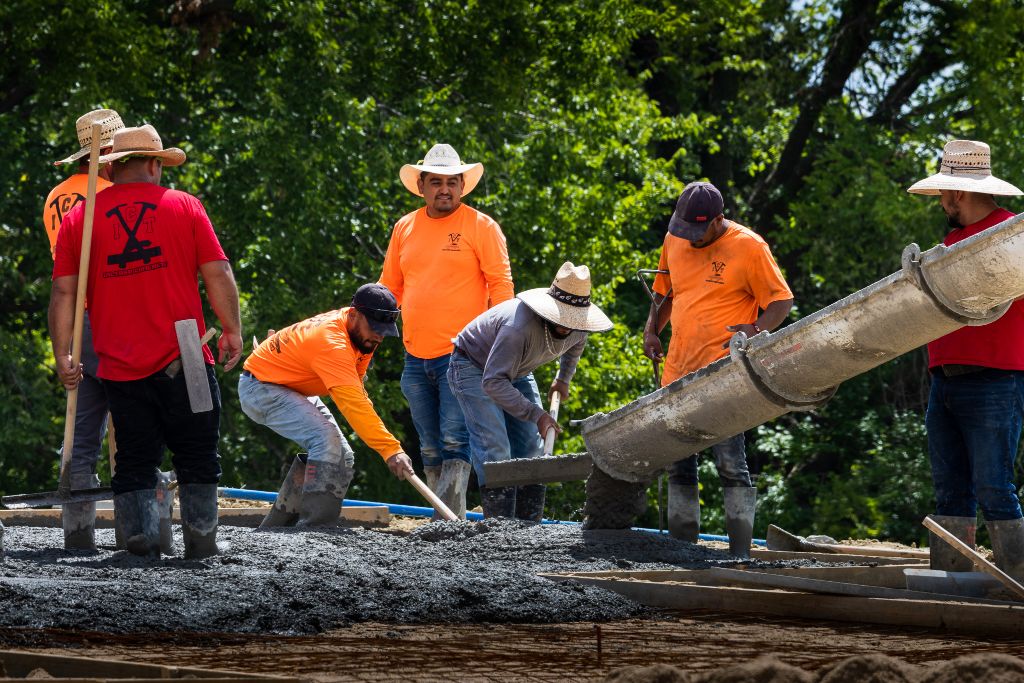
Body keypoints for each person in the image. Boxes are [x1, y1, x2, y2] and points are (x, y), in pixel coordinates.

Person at [50, 124, 243, 559]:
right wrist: (231, 329)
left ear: (114, 168)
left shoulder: (80, 218)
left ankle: (138, 541)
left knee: (134, 458)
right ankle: (201, 540)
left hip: (119, 358)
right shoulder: (184, 205)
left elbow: (63, 292)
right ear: (155, 164)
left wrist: (62, 353)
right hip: (188, 353)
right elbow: (217, 272)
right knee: (197, 451)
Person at [642, 181, 793, 557]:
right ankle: (682, 548)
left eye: (698, 231)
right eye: (684, 230)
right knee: (679, 464)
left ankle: (740, 552)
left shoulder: (748, 247)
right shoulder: (675, 238)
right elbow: (665, 291)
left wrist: (756, 329)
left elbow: (781, 301)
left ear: (718, 219)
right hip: (677, 371)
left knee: (730, 463)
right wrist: (650, 331)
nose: (690, 238)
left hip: (726, 374)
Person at [907, 139, 1024, 579]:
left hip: (997, 378)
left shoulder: (1013, 234)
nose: (940, 202)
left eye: (942, 194)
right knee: (950, 489)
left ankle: (1015, 580)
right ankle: (953, 580)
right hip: (946, 380)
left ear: (957, 193)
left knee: (994, 485)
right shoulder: (952, 240)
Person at [379, 143, 514, 518]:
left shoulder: (480, 226)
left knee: (457, 439)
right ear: (421, 185)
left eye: (452, 182)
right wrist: (369, 330)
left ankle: (448, 519)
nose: (444, 189)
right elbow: (390, 287)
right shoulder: (405, 227)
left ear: (462, 186)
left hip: (464, 355)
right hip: (415, 354)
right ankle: (444, 519)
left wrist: (499, 344)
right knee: (429, 445)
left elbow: (502, 287)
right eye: (436, 181)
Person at [238, 283, 415, 527]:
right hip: (260, 388)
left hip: (290, 387)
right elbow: (353, 405)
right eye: (375, 328)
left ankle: (278, 526)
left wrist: (388, 447)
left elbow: (359, 394)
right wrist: (391, 450)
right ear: (353, 314)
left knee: (343, 456)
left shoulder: (363, 336)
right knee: (326, 441)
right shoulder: (332, 343)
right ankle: (314, 528)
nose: (379, 336)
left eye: (384, 331)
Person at [449, 262, 612, 519]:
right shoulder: (518, 328)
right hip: (472, 366)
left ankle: (527, 527)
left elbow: (575, 347)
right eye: (562, 318)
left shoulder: (579, 327)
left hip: (516, 370)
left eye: (573, 319)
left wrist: (563, 380)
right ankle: (500, 526)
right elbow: (493, 382)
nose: (567, 326)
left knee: (530, 447)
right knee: (496, 448)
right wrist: (537, 414)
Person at [43, 108, 125, 550]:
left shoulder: (56, 196)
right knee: (128, 417)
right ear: (110, 156)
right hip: (108, 315)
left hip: (71, 315)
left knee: (80, 424)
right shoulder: (109, 192)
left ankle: (77, 529)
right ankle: (134, 524)